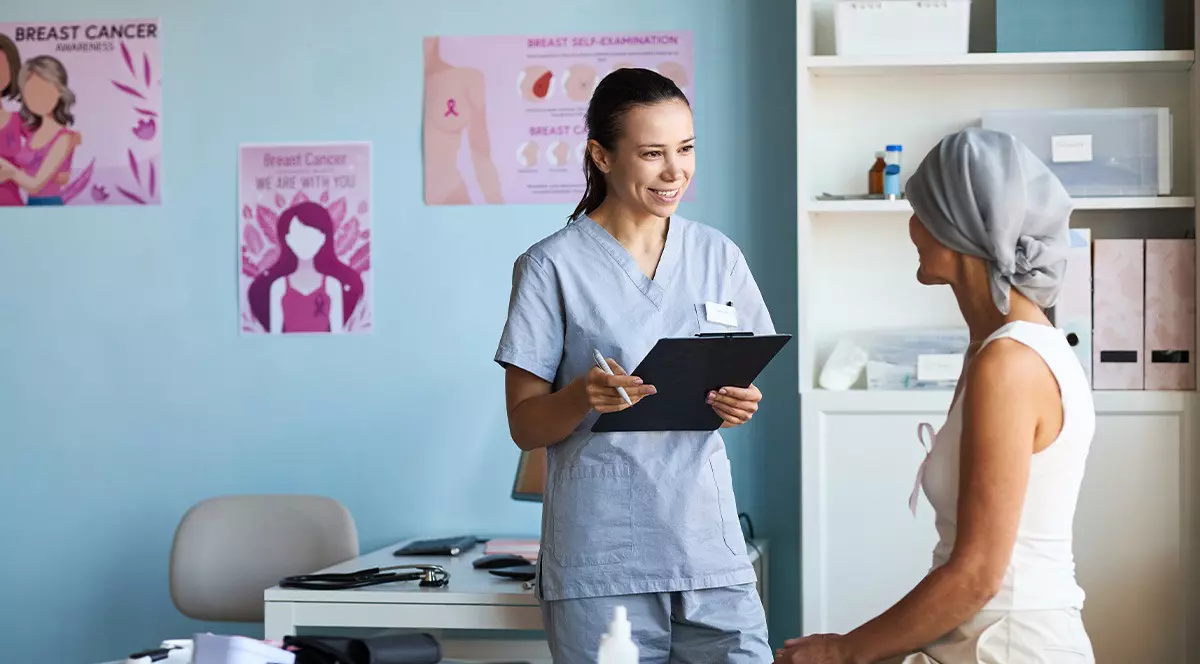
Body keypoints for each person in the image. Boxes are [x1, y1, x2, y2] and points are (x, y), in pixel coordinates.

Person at [775, 127, 1097, 663]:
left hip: (1009, 646)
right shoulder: (1001, 348)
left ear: (958, 227)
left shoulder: (1010, 363)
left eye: (921, 212)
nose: (911, 228)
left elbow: (976, 576)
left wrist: (843, 651)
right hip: (979, 638)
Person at [494, 67, 775, 662]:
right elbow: (524, 425)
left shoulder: (717, 255)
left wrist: (739, 403)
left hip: (709, 550)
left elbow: (739, 376)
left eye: (686, 149)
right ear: (601, 155)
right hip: (604, 558)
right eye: (653, 154)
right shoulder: (551, 267)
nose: (676, 171)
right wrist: (581, 398)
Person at [247, 201, 364, 334]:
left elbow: (337, 336)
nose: (304, 243)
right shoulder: (279, 287)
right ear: (288, 240)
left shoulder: (332, 286)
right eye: (298, 236)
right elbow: (275, 337)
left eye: (311, 236)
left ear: (323, 239)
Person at [0, 55, 79, 206]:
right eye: (31, 92)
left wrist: (10, 171)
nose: (38, 98)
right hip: (30, 205)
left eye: (45, 90)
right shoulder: (33, 131)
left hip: (49, 206)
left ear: (59, 92)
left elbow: (35, 185)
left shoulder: (63, 138)